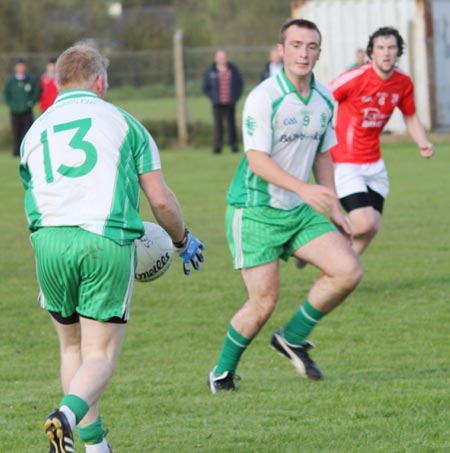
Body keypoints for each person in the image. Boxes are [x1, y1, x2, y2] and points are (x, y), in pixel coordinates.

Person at [19, 45, 205, 453]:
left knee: (71, 347)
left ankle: (94, 446)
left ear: (59, 80)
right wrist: (182, 239)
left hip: (48, 243)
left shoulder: (34, 131)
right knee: (99, 354)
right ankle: (65, 416)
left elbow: (34, 195)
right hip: (105, 240)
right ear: (100, 82)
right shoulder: (125, 123)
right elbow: (160, 200)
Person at [207, 19, 362, 393]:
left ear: (319, 53)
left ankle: (292, 338)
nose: (303, 53)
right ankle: (222, 373)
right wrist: (303, 189)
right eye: (295, 45)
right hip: (255, 209)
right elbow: (257, 159)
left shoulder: (325, 98)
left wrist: (335, 207)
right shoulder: (265, 97)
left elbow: (324, 153)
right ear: (282, 50)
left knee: (347, 270)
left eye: (311, 47)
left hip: (297, 209)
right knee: (263, 302)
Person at [329, 27, 434, 256]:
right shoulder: (355, 77)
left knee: (372, 227)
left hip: (374, 163)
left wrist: (422, 141)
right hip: (346, 160)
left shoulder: (403, 82)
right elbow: (323, 97)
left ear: (398, 51)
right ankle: (317, 241)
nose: (386, 53)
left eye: (391, 47)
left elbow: (410, 115)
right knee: (364, 223)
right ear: (371, 52)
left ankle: (342, 272)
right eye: (381, 48)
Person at [202, 49, 244, 154]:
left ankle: (234, 145)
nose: (222, 60)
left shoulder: (233, 70)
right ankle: (217, 147)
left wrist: (235, 97)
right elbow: (205, 87)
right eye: (220, 58)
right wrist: (213, 97)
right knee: (218, 126)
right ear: (216, 59)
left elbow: (240, 84)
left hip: (230, 102)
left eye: (223, 57)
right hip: (217, 103)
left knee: (231, 125)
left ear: (227, 58)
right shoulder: (210, 71)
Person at [3, 59, 39, 156]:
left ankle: (27, 151)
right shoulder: (11, 80)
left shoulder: (30, 79)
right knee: (16, 133)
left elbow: (36, 92)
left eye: (22, 66)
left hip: (27, 111)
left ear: (25, 67)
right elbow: (6, 94)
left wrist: (31, 102)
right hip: (15, 111)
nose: (21, 69)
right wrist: (11, 104)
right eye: (19, 67)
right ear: (15, 68)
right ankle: (16, 152)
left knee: (28, 132)